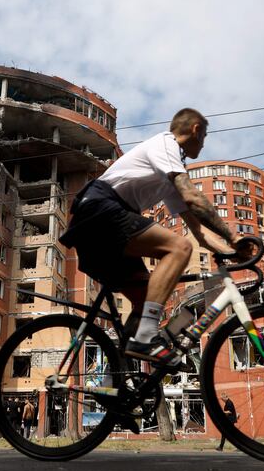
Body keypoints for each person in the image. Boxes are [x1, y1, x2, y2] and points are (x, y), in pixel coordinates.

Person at [60, 108, 249, 368]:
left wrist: (231, 251)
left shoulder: (170, 173)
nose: (203, 144)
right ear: (196, 130)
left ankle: (117, 384)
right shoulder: (164, 144)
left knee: (144, 298)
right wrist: (233, 235)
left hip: (102, 225)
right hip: (100, 210)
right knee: (178, 248)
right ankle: (147, 337)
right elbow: (194, 198)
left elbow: (200, 234)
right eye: (204, 137)